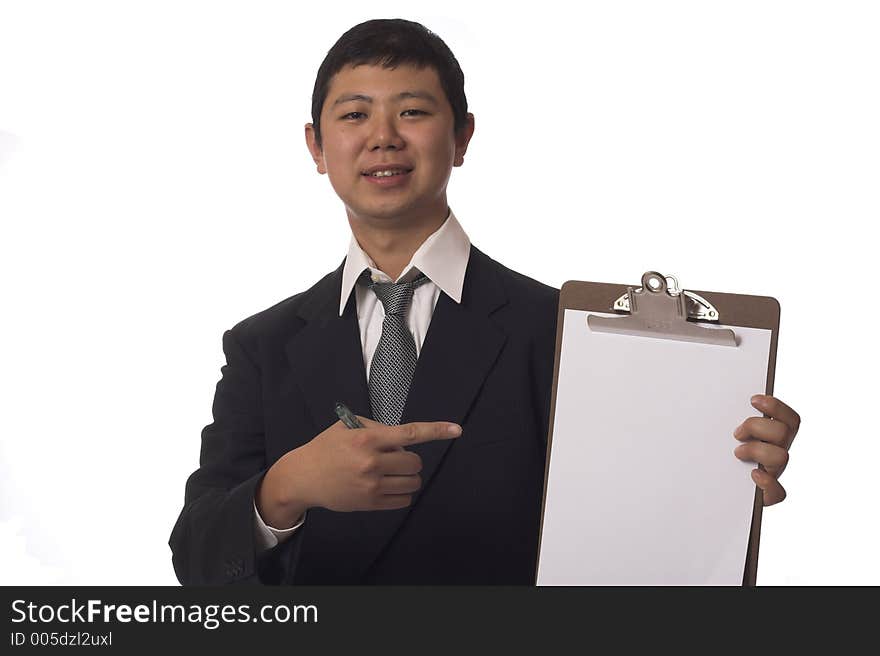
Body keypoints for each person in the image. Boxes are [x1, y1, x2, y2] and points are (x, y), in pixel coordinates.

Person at [169, 18, 801, 585]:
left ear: (463, 136)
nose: (383, 137)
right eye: (355, 114)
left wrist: (725, 472)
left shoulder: (564, 334)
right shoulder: (262, 346)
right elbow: (194, 560)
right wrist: (285, 489)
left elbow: (637, 504)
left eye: (412, 112)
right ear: (316, 145)